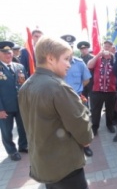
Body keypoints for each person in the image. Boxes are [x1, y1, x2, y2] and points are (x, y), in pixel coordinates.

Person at [18, 36, 93, 188]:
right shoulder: (58, 87)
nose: (69, 65)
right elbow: (85, 135)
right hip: (66, 167)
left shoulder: (26, 86)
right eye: (66, 59)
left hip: (45, 165)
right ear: (51, 59)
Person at [61, 35, 93, 157]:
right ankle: (68, 147)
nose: (68, 48)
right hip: (61, 99)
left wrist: (77, 89)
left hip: (77, 98)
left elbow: (86, 80)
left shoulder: (79, 63)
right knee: (63, 125)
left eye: (70, 46)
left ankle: (86, 146)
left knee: (82, 123)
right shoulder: (55, 63)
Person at [0, 41, 28, 161]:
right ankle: (11, 151)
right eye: (5, 52)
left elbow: (25, 86)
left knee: (23, 127)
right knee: (7, 131)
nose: (8, 54)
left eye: (10, 52)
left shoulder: (19, 67)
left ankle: (23, 145)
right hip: (5, 107)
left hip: (20, 105)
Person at [87, 40, 116, 136]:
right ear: (102, 47)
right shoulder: (97, 59)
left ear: (111, 48)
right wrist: (98, 54)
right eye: (105, 46)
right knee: (96, 111)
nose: (107, 47)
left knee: (110, 110)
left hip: (111, 90)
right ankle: (95, 127)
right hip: (97, 90)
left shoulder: (114, 59)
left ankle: (109, 125)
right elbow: (89, 65)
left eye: (109, 46)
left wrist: (113, 55)